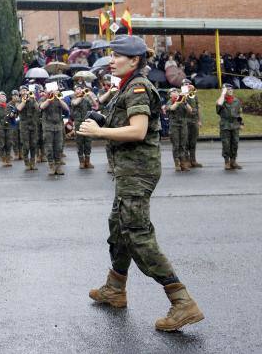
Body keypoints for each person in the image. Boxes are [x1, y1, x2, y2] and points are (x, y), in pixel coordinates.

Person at [78, 35, 203, 332]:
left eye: (117, 55)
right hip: (128, 170)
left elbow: (137, 130)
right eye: (111, 55)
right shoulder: (126, 86)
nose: (111, 60)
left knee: (137, 234)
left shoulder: (137, 87)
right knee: (119, 226)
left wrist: (98, 132)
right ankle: (115, 287)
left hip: (138, 171)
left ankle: (182, 301)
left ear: (134, 60)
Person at [40, 86, 69, 176]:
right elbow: (41, 107)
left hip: (58, 126)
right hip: (48, 127)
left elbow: (67, 108)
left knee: (58, 147)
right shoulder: (44, 99)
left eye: (55, 90)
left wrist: (58, 99)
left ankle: (58, 166)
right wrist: (49, 99)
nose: (53, 91)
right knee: (49, 148)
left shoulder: (59, 99)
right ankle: (51, 166)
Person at [216, 83, 243, 170]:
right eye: (228, 89)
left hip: (235, 125)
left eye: (231, 89)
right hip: (225, 125)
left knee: (235, 143)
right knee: (226, 144)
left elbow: (239, 113)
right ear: (224, 90)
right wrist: (223, 94)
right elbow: (219, 104)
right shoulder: (221, 100)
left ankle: (233, 161)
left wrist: (241, 123)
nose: (230, 90)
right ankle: (227, 162)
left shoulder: (237, 101)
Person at [70, 84, 96, 169]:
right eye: (77, 89)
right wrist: (81, 96)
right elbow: (75, 103)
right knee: (80, 142)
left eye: (80, 89)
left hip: (87, 122)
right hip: (78, 123)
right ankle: (81, 161)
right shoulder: (73, 98)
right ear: (75, 91)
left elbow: (95, 105)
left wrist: (90, 95)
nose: (80, 90)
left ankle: (87, 161)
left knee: (88, 142)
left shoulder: (86, 99)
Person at [16, 85, 39, 170]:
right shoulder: (18, 100)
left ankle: (33, 163)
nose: (24, 92)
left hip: (33, 125)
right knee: (26, 145)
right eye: (22, 90)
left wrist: (34, 99)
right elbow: (19, 108)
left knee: (33, 145)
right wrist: (24, 101)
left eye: (26, 90)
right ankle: (26, 163)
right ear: (20, 92)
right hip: (24, 126)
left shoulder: (32, 99)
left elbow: (38, 108)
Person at [180, 80, 202, 169]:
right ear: (182, 86)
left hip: (194, 120)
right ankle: (186, 160)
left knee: (193, 142)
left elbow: (198, 108)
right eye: (185, 84)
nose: (188, 86)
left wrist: (199, 120)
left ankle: (193, 160)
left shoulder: (193, 95)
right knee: (185, 142)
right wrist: (183, 94)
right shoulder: (180, 96)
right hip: (185, 121)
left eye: (189, 84)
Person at [0, 92, 12, 167]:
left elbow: (13, 116)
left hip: (8, 127)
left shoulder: (9, 107)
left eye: (5, 96)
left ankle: (8, 159)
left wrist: (12, 115)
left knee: (8, 144)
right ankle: (3, 159)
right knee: (2, 144)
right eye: (2, 96)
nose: (4, 97)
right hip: (0, 128)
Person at [7, 91, 21, 161]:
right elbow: (10, 115)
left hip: (21, 123)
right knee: (14, 139)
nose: (16, 97)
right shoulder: (9, 104)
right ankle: (16, 153)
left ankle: (21, 153)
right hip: (13, 124)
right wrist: (15, 108)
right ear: (12, 96)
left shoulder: (21, 102)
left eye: (17, 95)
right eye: (14, 95)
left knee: (21, 139)